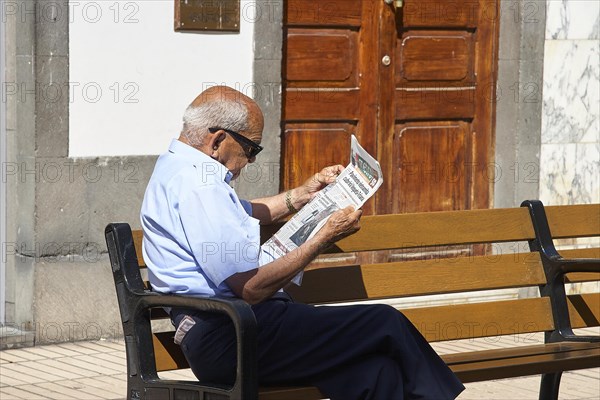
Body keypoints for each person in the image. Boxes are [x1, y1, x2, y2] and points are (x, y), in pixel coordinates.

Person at [141, 86, 465, 399]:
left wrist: (303, 194)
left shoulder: (178, 167)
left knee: (374, 372)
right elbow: (251, 289)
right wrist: (323, 237)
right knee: (384, 322)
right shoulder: (201, 184)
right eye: (251, 149)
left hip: (232, 331)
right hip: (232, 335)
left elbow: (250, 211)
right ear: (218, 140)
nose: (251, 160)